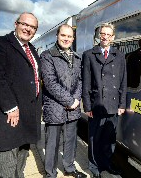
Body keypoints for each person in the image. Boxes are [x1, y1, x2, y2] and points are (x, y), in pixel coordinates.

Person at [0, 12, 42, 178]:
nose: (28, 29)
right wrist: (10, 107)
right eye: (25, 24)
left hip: (27, 117)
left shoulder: (32, 50)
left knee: (21, 162)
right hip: (9, 116)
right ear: (16, 24)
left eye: (33, 27)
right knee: (7, 165)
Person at [40, 24, 86, 178]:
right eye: (63, 35)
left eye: (69, 36)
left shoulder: (77, 57)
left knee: (71, 141)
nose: (66, 39)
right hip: (54, 108)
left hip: (73, 108)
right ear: (57, 36)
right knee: (52, 143)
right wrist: (69, 100)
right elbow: (50, 83)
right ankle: (50, 173)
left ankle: (69, 167)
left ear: (73, 38)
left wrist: (76, 99)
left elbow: (80, 81)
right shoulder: (47, 55)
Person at [81, 23, 127, 178]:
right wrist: (87, 106)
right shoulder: (89, 55)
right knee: (95, 137)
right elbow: (86, 83)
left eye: (108, 34)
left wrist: (122, 104)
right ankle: (94, 166)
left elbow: (123, 82)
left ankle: (106, 164)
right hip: (96, 104)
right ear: (99, 35)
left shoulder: (119, 56)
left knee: (110, 138)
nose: (105, 37)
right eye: (103, 34)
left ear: (113, 37)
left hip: (113, 105)